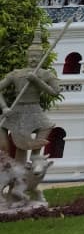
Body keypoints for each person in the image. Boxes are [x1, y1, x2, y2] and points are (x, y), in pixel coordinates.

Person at [0, 30, 59, 162]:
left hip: (34, 108)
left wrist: (37, 81)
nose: (33, 59)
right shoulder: (16, 73)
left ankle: (35, 155)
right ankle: (5, 159)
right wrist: (4, 107)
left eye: (36, 57)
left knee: (46, 126)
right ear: (26, 57)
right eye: (31, 56)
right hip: (17, 109)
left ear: (41, 57)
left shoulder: (46, 74)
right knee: (13, 140)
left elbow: (55, 92)